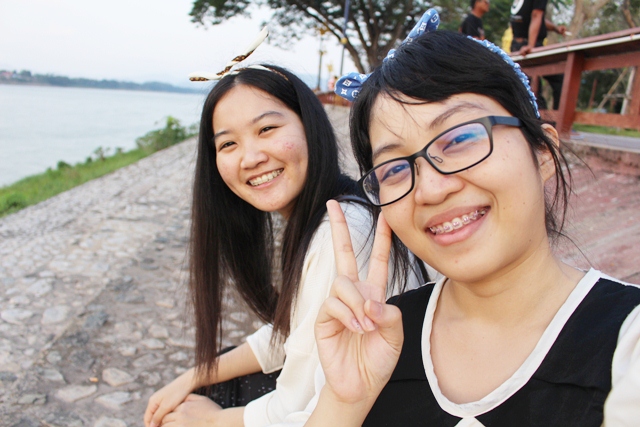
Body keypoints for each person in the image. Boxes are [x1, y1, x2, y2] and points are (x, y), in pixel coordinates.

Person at [303, 10, 640, 427]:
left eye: (460, 138)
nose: (431, 189)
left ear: (542, 152)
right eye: (394, 169)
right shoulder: (377, 336)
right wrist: (343, 402)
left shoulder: (627, 345)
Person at [143, 60, 427, 427]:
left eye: (267, 129)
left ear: (309, 126)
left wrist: (212, 421)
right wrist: (195, 374)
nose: (251, 158)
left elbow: (299, 405)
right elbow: (294, 333)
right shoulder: (327, 210)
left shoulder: (339, 232)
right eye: (228, 143)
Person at [510, 0, 566, 109]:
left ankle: (542, 116)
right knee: (560, 79)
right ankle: (559, 117)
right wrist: (531, 45)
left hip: (518, 45)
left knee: (532, 90)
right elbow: (536, 15)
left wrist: (555, 28)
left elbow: (533, 17)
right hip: (529, 46)